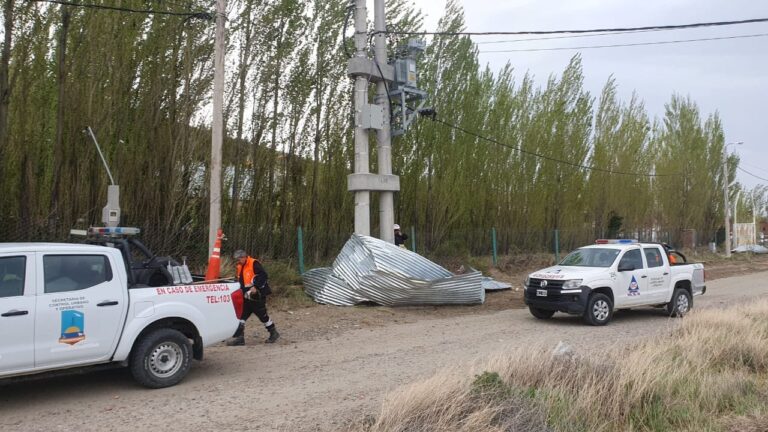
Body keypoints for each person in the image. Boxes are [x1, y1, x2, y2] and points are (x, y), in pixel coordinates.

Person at [227, 250, 280, 345]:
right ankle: (239, 338)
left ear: (244, 257)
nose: (238, 260)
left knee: (262, 315)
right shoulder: (240, 266)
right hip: (246, 295)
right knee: (240, 317)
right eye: (237, 259)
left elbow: (263, 275)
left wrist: (256, 287)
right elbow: (241, 280)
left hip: (256, 295)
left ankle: (273, 332)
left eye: (239, 258)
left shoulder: (254, 263)